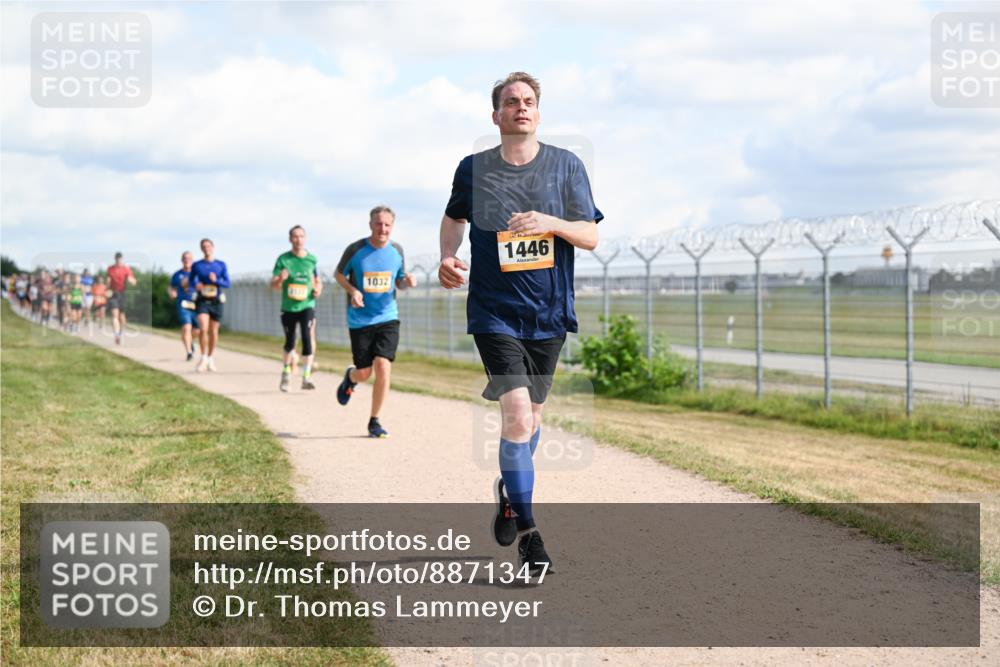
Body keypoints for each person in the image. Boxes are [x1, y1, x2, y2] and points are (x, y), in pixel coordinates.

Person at [438, 72, 602, 576]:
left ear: (538, 112)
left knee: (531, 420)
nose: (521, 108)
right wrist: (447, 254)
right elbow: (454, 218)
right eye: (512, 102)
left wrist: (551, 223)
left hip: (549, 313)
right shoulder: (474, 169)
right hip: (493, 312)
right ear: (497, 116)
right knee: (515, 418)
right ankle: (531, 537)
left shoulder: (566, 166)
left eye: (529, 101)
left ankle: (510, 491)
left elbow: (590, 236)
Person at [334, 205, 417, 438]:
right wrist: (353, 291)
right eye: (378, 224)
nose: (383, 228)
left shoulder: (397, 251)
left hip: (387, 316)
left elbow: (399, 281)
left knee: (383, 365)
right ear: (370, 225)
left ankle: (374, 420)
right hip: (360, 320)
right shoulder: (356, 249)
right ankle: (350, 379)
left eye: (387, 224)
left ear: (393, 226)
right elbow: (339, 274)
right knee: (364, 373)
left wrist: (407, 282)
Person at [271, 225, 322, 391]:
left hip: (307, 305)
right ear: (290, 239)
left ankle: (306, 376)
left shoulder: (312, 259)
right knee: (290, 341)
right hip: (288, 307)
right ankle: (286, 374)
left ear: (305, 238)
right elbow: (273, 285)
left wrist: (318, 289)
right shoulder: (283, 260)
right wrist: (280, 279)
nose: (298, 239)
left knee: (307, 338)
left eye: (301, 236)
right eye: (295, 236)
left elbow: (317, 279)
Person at [191, 238, 230, 372]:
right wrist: (196, 285)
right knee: (203, 327)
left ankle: (210, 357)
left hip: (216, 301)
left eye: (208, 246)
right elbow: (191, 281)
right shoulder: (197, 265)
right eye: (204, 246)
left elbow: (227, 283)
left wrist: (217, 280)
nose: (206, 248)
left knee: (213, 331)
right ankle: (203, 358)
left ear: (213, 247)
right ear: (201, 249)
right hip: (202, 300)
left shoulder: (221, 264)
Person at [167, 251, 201, 361]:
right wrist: (172, 293)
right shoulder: (177, 275)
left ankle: (189, 340)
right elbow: (171, 287)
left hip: (196, 305)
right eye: (185, 258)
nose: (187, 260)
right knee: (187, 328)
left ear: (192, 260)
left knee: (198, 331)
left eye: (189, 258)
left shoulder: (198, 274)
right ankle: (189, 352)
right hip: (183, 304)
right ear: (182, 260)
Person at [106, 253, 137, 345]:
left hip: (122, 294)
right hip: (113, 293)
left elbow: (133, 280)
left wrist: (132, 280)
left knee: (122, 317)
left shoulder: (126, 269)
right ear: (115, 259)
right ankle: (116, 335)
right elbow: (108, 280)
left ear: (122, 259)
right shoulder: (110, 269)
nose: (118, 261)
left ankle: (120, 332)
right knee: (114, 315)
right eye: (117, 259)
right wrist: (106, 290)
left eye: (120, 259)